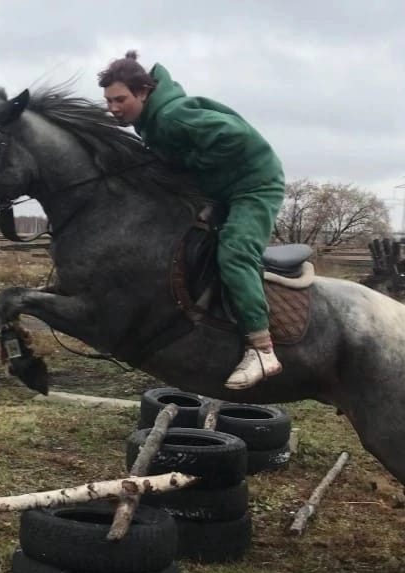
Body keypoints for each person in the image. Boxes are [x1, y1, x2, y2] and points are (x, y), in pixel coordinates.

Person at [98, 51, 285, 390]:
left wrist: (191, 165)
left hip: (253, 186)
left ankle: (261, 349)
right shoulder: (150, 122)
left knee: (235, 252)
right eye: (108, 100)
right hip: (223, 188)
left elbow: (237, 137)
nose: (113, 107)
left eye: (120, 99)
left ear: (142, 92)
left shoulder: (171, 117)